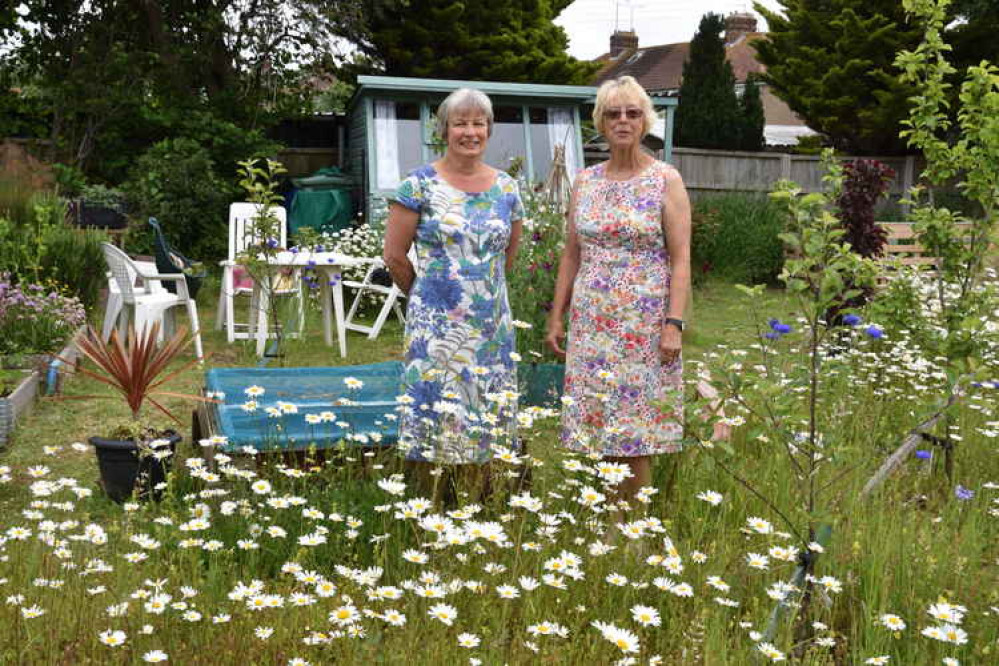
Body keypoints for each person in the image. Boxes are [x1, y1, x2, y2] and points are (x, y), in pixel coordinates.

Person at [545, 75, 692, 500]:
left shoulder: (666, 180)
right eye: (613, 113)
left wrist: (674, 323)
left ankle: (633, 522)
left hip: (642, 325)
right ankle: (611, 510)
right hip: (591, 321)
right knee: (600, 419)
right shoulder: (586, 181)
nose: (623, 120)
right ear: (601, 121)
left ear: (646, 121)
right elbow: (571, 254)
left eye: (632, 113)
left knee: (636, 423)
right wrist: (556, 316)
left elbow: (681, 259)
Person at [383, 88, 525, 468]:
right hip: (435, 327)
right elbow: (394, 256)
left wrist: (481, 292)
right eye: (460, 123)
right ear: (444, 130)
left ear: (489, 130)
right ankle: (430, 500)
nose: (470, 131)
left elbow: (506, 255)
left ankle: (481, 497)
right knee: (437, 408)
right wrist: (427, 297)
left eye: (479, 123)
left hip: (491, 325)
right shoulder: (417, 186)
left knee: (485, 410)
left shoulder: (506, 188)